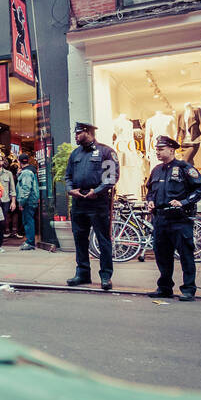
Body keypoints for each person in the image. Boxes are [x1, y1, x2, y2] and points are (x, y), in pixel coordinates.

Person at [146, 135, 201, 302]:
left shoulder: (184, 168)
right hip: (160, 219)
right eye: (156, 149)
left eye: (161, 149)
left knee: (186, 255)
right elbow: (150, 191)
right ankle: (165, 288)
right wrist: (150, 201)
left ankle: (188, 289)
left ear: (172, 150)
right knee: (162, 255)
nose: (157, 152)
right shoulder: (156, 170)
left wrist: (183, 202)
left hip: (179, 220)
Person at [65, 121, 120, 290]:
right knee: (80, 239)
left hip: (98, 202)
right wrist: (70, 190)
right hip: (79, 202)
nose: (75, 136)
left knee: (103, 240)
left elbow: (111, 176)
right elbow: (68, 176)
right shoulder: (75, 154)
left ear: (88, 132)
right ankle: (82, 274)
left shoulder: (106, 151)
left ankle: (105, 276)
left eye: (78, 133)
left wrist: (97, 191)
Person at [16, 154, 40, 250]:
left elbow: (26, 188)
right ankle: (29, 241)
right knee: (29, 220)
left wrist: (22, 202)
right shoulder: (31, 170)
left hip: (28, 201)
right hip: (31, 200)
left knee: (28, 221)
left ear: (19, 161)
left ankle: (30, 242)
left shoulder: (26, 172)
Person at [0, 153, 17, 243]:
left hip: (5, 201)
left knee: (2, 222)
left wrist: (13, 202)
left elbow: (12, 189)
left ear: (2, 162)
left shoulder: (8, 174)